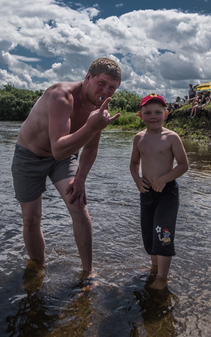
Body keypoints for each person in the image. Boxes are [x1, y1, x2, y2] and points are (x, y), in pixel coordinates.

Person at [12, 57, 121, 276]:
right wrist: (91, 126)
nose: (106, 92)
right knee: (31, 218)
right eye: (101, 83)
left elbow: (90, 148)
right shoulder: (61, 96)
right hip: (29, 156)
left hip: (64, 156)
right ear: (88, 77)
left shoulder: (99, 107)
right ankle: (37, 269)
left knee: (78, 206)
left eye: (112, 88)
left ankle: (88, 273)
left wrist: (80, 179)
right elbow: (58, 149)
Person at [130, 94, 188, 290]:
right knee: (149, 233)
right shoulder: (139, 138)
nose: (153, 116)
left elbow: (183, 165)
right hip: (146, 191)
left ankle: (162, 278)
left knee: (163, 233)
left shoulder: (171, 137)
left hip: (167, 192)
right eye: (148, 113)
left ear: (166, 114)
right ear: (140, 115)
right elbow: (134, 163)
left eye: (158, 112)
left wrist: (164, 179)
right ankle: (154, 267)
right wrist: (137, 180)